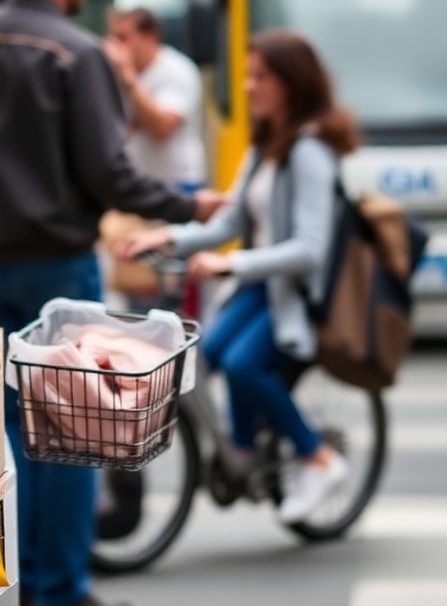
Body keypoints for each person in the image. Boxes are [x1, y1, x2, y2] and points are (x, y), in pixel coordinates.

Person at [0, 0, 224, 606]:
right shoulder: (77, 55)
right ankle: (58, 589)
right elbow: (111, 175)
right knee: (68, 432)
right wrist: (189, 206)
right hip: (60, 267)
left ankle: (9, 581)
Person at [119, 29, 360, 524]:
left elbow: (310, 250)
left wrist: (232, 263)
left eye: (260, 77)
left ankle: (317, 456)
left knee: (245, 366)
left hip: (295, 292)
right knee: (208, 354)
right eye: (248, 76)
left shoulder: (310, 151)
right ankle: (246, 449)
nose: (249, 87)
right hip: (261, 286)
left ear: (291, 84)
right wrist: (167, 239)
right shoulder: (269, 143)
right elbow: (229, 223)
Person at [103, 7, 205, 192]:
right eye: (113, 38)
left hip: (176, 185)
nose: (115, 47)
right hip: (135, 185)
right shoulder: (115, 74)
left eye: (123, 38)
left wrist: (127, 76)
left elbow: (162, 128)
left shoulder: (176, 70)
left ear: (151, 37)